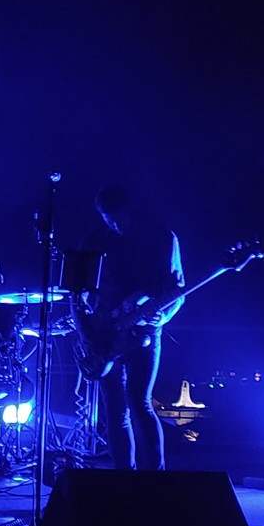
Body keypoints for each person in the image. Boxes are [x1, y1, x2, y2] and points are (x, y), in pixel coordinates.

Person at [75, 184, 185, 471]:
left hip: (143, 332)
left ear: (129, 209)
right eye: (109, 220)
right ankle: (124, 475)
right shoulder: (94, 240)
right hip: (103, 334)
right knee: (115, 410)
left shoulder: (162, 238)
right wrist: (86, 337)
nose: (116, 225)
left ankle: (154, 479)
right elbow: (76, 293)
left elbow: (177, 290)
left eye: (119, 218)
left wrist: (163, 316)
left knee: (140, 402)